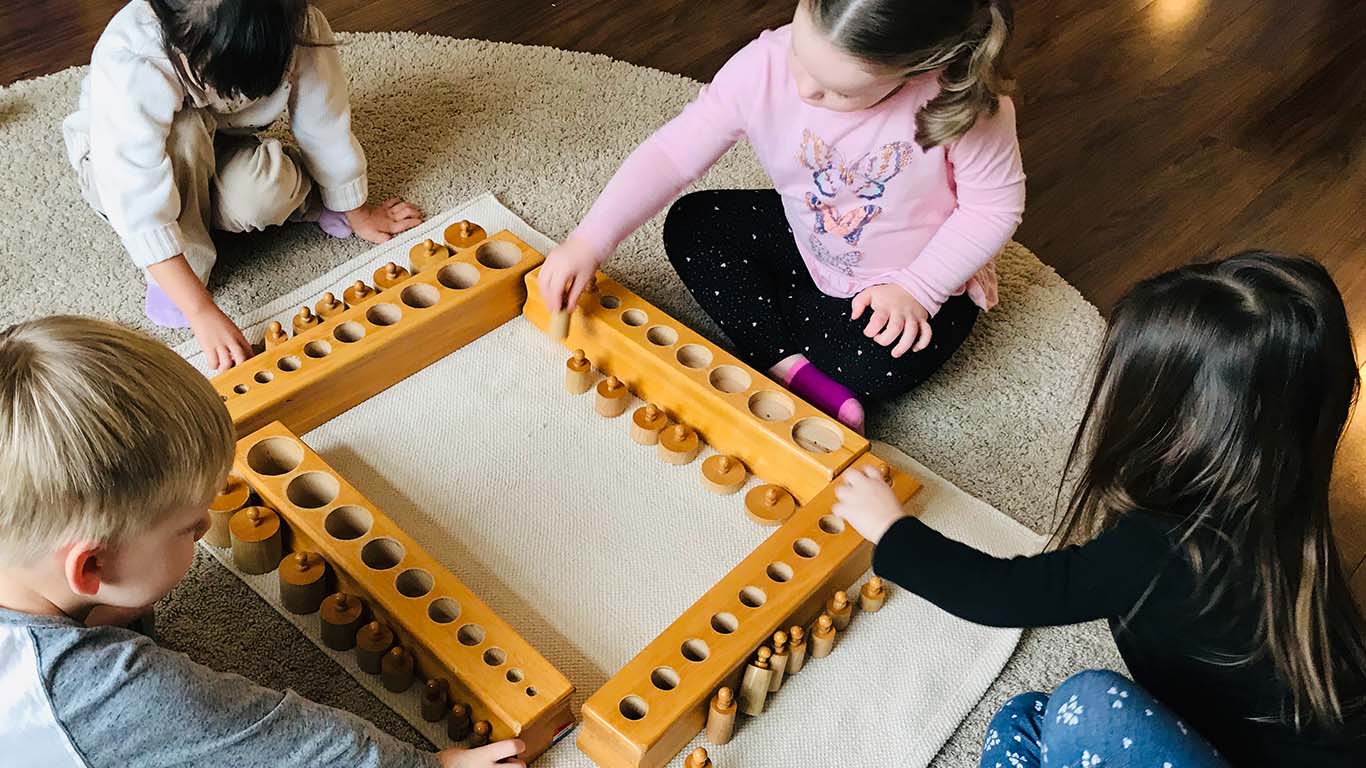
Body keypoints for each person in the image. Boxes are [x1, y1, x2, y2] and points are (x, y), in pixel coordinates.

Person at [834, 252, 1366, 765]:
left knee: (1086, 707)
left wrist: (892, 529)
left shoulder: (1162, 549)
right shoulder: (1282, 496)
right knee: (1022, 721)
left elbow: (1001, 593)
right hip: (1239, 739)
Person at [0, 315, 522, 768]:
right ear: (91, 569)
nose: (205, 527)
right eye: (189, 527)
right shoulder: (113, 692)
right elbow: (286, 744)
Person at [539, 0, 1024, 433]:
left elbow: (994, 207)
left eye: (837, 91)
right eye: (801, 55)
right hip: (811, 240)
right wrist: (590, 239)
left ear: (918, 67)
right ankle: (789, 363)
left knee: (878, 368)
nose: (805, 88)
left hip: (907, 282)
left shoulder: (964, 105)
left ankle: (794, 343)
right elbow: (672, 153)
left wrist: (922, 286)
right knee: (693, 222)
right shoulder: (765, 65)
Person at [63, 0, 425, 371]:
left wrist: (354, 208)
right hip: (119, 169)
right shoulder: (133, 58)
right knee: (186, 135)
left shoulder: (296, 25)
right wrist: (199, 308)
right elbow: (133, 193)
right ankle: (184, 261)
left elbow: (325, 123)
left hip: (220, 142)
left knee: (267, 191)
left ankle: (315, 198)